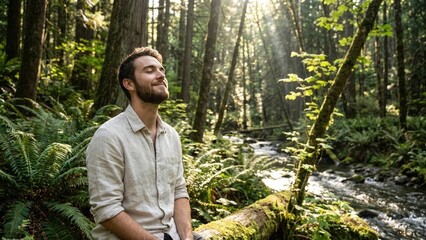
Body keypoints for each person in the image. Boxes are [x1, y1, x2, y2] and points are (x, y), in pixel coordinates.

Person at [86, 47, 202, 240]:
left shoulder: (171, 136)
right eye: (150, 71)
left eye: (161, 70)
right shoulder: (109, 136)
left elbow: (179, 192)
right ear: (129, 84)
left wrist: (187, 238)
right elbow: (107, 210)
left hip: (171, 234)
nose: (160, 75)